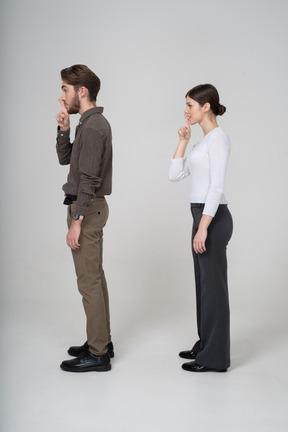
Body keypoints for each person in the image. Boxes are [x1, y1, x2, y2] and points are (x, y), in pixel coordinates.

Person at [168, 84, 233, 373]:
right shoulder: (203, 141)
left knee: (213, 290)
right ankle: (205, 344)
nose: (186, 110)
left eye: (190, 105)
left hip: (213, 217)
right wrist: (183, 141)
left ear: (206, 107)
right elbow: (175, 175)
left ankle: (215, 358)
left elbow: (217, 186)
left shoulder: (218, 138)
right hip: (203, 216)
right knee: (203, 287)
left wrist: (203, 227)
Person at [55, 64, 113, 372]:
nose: (62, 95)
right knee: (95, 278)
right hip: (88, 207)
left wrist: (77, 220)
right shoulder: (88, 124)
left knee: (88, 282)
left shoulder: (93, 126)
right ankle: (101, 340)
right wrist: (64, 128)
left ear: (82, 91)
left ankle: (98, 353)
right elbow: (68, 160)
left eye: (65, 89)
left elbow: (88, 179)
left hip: (86, 209)